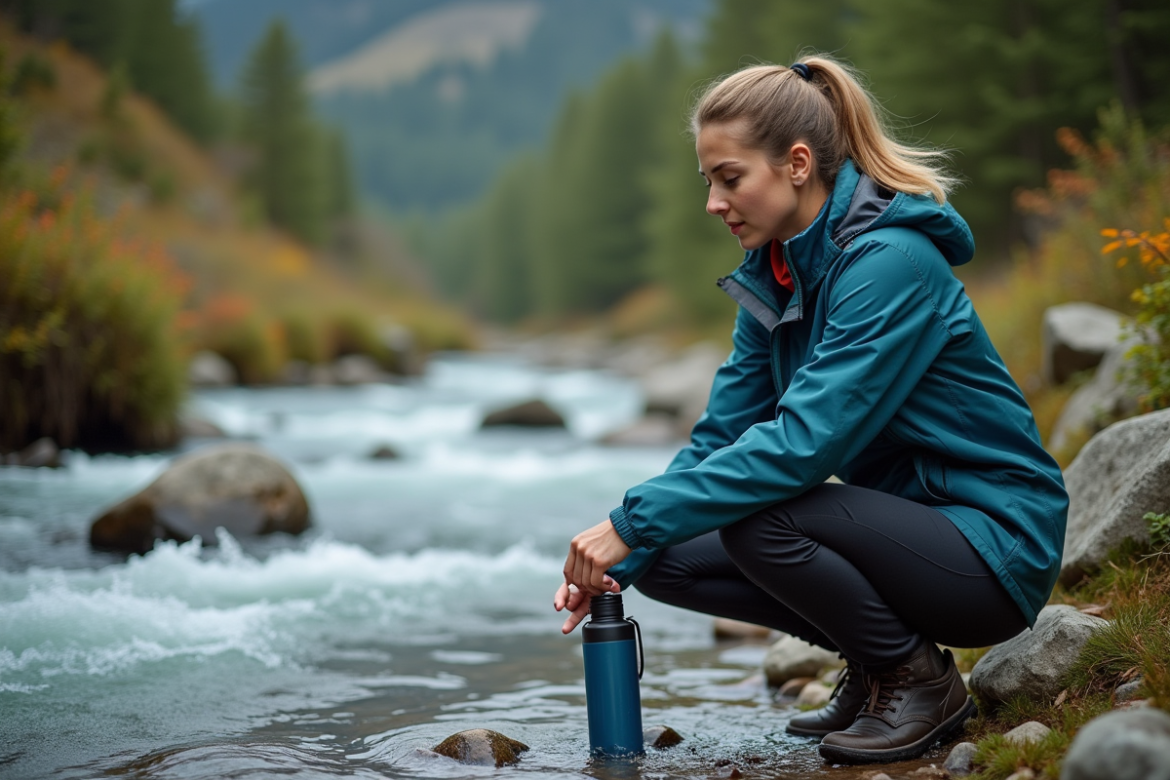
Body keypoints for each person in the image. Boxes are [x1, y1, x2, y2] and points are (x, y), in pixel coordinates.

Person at [553, 56, 1069, 765]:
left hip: (992, 546)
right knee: (667, 552)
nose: (713, 202)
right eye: (707, 181)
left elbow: (804, 445)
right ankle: (874, 660)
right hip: (906, 535)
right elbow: (721, 437)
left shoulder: (891, 263)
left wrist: (629, 524)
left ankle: (917, 681)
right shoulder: (776, 277)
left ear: (797, 164)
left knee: (756, 518)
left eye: (729, 178)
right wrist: (625, 548)